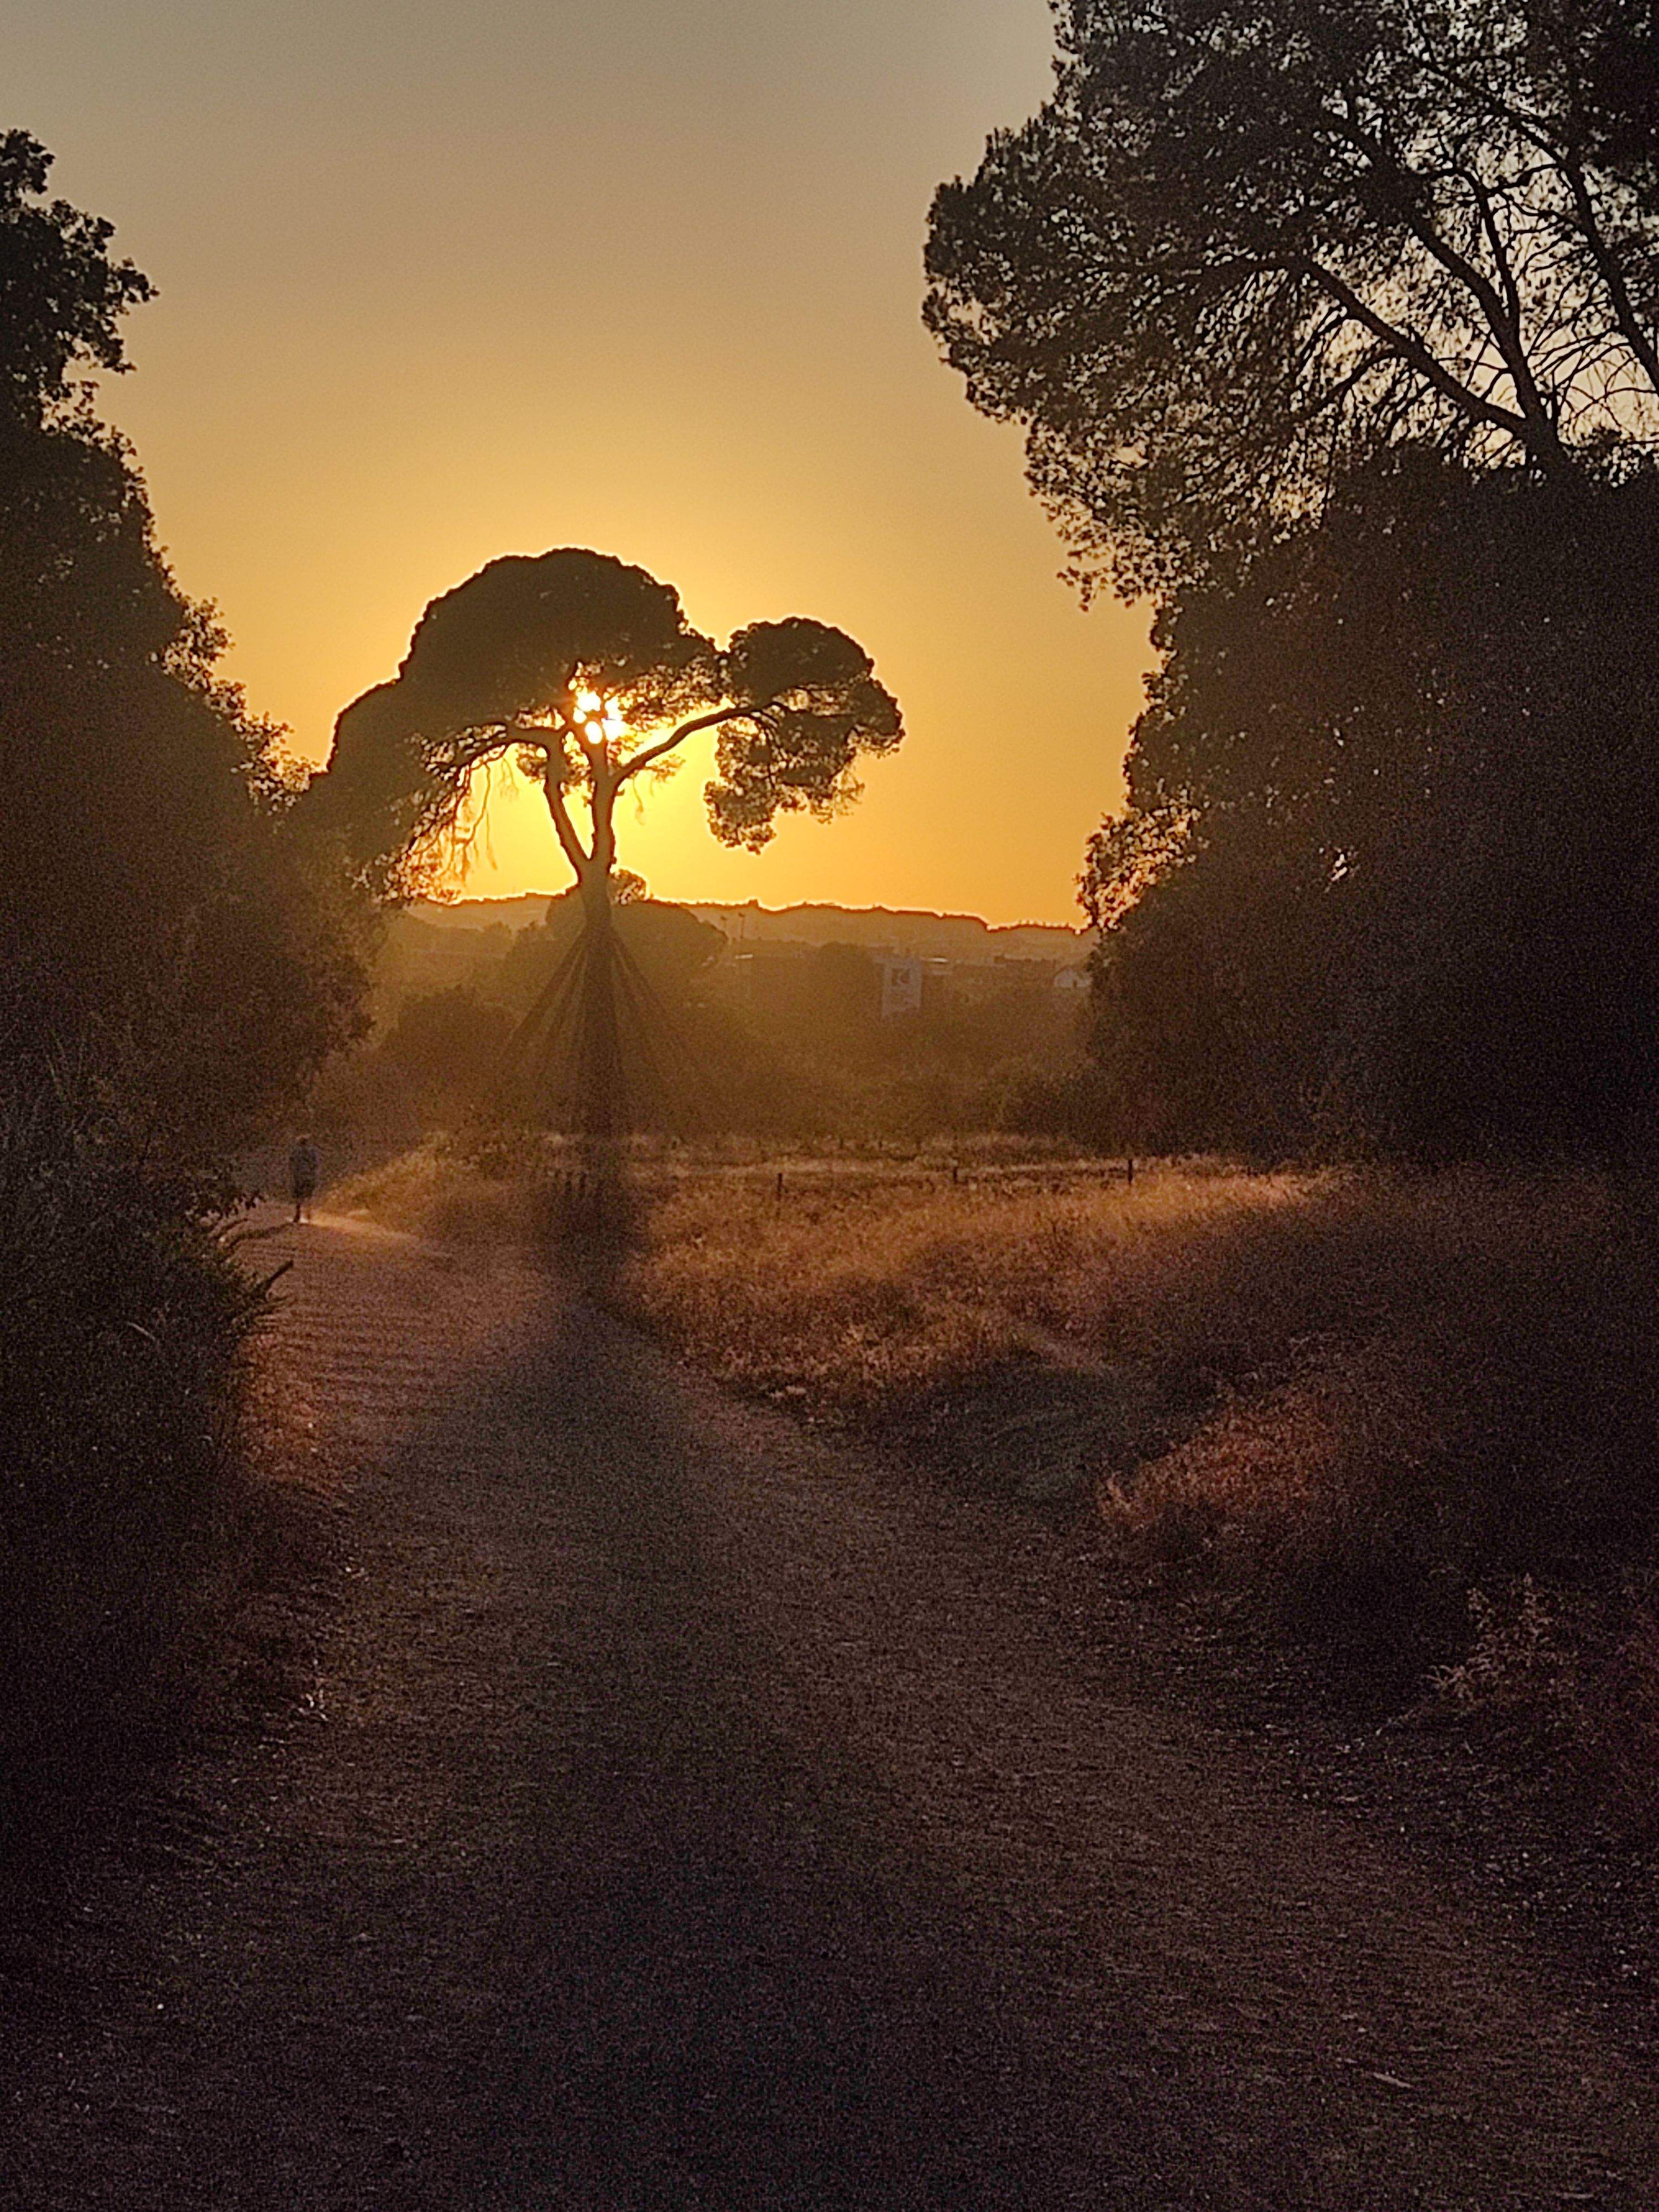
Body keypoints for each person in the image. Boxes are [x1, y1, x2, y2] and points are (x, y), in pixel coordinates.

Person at [288, 1134, 320, 1224]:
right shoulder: (312, 1152)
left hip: (299, 1176)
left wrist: (293, 1173)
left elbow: (291, 1164)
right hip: (310, 1176)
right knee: (309, 1195)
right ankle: (309, 1214)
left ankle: (298, 1214)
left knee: (298, 1195)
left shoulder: (296, 1152)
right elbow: (315, 1164)